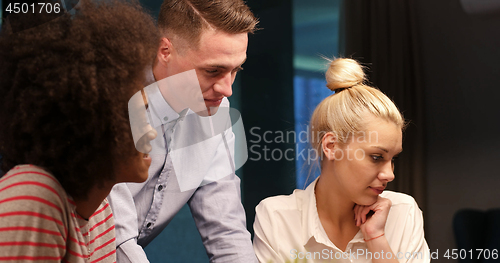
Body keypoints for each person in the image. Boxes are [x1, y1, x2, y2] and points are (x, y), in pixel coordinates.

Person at [0, 0, 158, 261]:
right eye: (139, 113)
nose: (151, 132)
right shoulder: (35, 194)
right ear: (96, 122)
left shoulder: (99, 211)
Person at [106, 0, 259, 262]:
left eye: (236, 70)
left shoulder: (217, 110)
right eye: (213, 70)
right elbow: (116, 239)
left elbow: (227, 233)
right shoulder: (111, 99)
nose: (227, 90)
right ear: (165, 50)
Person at [253, 58, 429, 263]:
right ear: (331, 146)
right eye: (376, 157)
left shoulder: (404, 212)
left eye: (393, 159)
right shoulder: (277, 217)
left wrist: (376, 238)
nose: (389, 174)